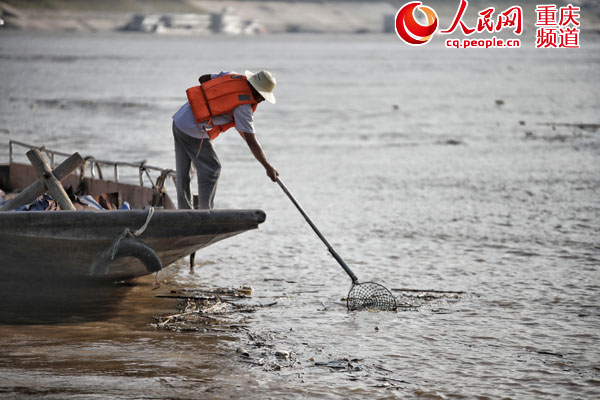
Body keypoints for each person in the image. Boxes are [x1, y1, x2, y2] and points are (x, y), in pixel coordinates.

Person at [172, 70, 279, 209]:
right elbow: (252, 141)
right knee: (212, 169)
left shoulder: (231, 76)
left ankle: (184, 211)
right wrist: (267, 166)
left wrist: (218, 98)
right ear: (256, 91)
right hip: (193, 129)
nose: (263, 100)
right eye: (263, 96)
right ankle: (205, 213)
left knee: (184, 173)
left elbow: (203, 78)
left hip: (179, 120)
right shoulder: (243, 107)